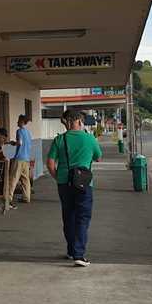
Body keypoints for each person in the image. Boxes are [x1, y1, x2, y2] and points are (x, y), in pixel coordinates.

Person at [46, 110, 102, 267]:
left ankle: (71, 250)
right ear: (78, 121)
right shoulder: (89, 139)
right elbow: (98, 157)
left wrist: (58, 177)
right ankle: (79, 254)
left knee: (68, 216)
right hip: (83, 183)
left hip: (64, 183)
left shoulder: (59, 139)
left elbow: (50, 163)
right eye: (82, 121)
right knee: (82, 218)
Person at [7, 115, 32, 210]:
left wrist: (13, 143)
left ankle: (8, 198)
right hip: (26, 159)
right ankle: (27, 197)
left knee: (13, 178)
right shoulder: (28, 133)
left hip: (19, 158)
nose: (17, 122)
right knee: (25, 179)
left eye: (18, 121)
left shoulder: (19, 131)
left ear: (22, 121)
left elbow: (20, 143)